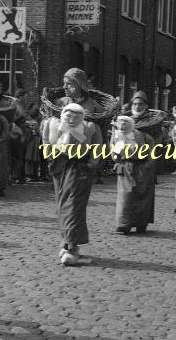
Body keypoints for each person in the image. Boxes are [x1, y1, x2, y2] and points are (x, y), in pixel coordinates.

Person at [42, 103, 101, 266]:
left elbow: (98, 147)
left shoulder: (90, 128)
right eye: (68, 115)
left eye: (76, 116)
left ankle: (73, 247)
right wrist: (50, 157)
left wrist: (91, 164)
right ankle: (66, 242)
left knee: (74, 207)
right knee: (62, 205)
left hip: (79, 169)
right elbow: (46, 141)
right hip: (59, 169)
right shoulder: (53, 125)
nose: (71, 119)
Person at [111, 115, 155, 235]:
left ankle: (141, 223)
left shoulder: (141, 135)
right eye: (120, 124)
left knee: (142, 194)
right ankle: (123, 224)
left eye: (125, 124)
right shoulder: (116, 135)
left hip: (141, 167)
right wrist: (117, 156)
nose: (122, 126)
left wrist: (148, 162)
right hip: (125, 167)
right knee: (125, 196)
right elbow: (113, 153)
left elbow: (151, 146)